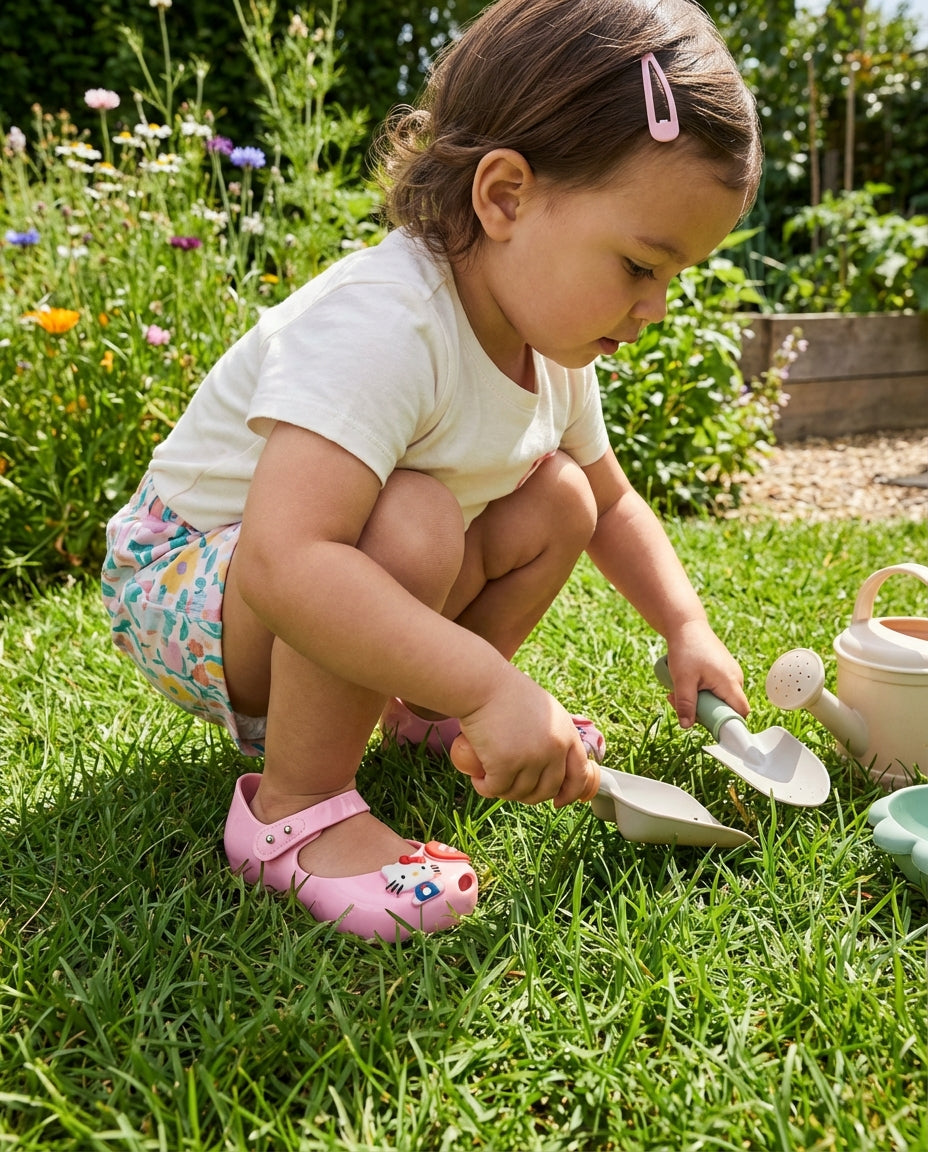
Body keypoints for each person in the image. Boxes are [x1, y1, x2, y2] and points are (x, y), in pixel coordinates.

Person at [102, 0, 760, 942]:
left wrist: (684, 625)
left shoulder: (556, 347)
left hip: (293, 573)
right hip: (187, 582)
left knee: (559, 497)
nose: (653, 306)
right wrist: (495, 687)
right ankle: (294, 808)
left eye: (675, 277)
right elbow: (291, 562)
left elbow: (609, 502)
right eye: (637, 264)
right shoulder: (386, 322)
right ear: (505, 197)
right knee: (412, 518)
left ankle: (419, 707)